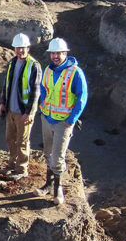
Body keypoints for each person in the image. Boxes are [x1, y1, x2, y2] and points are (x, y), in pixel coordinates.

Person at [36, 37, 88, 205]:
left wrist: (72, 119)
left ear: (65, 53)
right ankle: (48, 184)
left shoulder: (75, 72)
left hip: (63, 122)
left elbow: (82, 97)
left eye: (59, 53)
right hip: (47, 117)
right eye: (53, 53)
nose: (55, 56)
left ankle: (57, 189)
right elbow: (44, 89)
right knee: (48, 152)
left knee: (58, 157)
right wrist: (42, 106)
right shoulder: (49, 70)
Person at [0, 33, 42, 181]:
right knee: (10, 139)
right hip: (11, 110)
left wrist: (29, 112)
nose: (20, 51)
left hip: (24, 112)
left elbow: (35, 92)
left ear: (28, 48)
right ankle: (11, 164)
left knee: (22, 141)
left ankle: (21, 169)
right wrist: (3, 103)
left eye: (22, 48)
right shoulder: (11, 63)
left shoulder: (33, 66)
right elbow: (6, 85)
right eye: (17, 48)